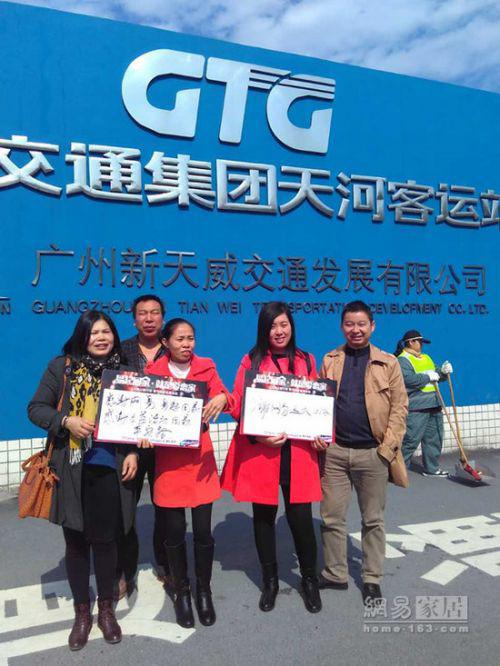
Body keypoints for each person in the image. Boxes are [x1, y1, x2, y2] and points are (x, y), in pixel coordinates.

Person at [28, 311, 138, 651]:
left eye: (107, 332)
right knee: (76, 543)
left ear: (114, 336)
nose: (101, 338)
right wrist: (66, 422)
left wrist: (133, 452)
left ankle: (106, 609)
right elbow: (36, 408)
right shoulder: (62, 368)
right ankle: (81, 614)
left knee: (106, 542)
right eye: (94, 333)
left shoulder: (125, 372)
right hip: (71, 468)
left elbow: (138, 418)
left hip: (109, 468)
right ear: (82, 337)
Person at [221, 301, 323, 614]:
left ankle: (309, 579)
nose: (279, 331)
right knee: (264, 518)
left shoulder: (306, 360)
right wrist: (259, 434)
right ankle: (270, 580)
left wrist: (321, 433)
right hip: (263, 452)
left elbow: (318, 402)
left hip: (298, 452)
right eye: (272, 326)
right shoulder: (251, 360)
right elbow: (239, 405)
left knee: (301, 519)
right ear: (263, 329)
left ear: (291, 326)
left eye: (284, 324)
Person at [138, 318, 230, 628]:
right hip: (169, 465)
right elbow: (143, 415)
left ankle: (204, 591)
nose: (186, 344)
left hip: (200, 462)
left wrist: (223, 398)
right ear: (165, 342)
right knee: (174, 533)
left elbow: (225, 397)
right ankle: (182, 592)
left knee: (203, 532)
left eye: (190, 338)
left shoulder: (206, 366)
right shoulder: (153, 374)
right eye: (180, 339)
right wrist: (143, 435)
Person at [318, 301, 408, 606]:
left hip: (373, 454)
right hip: (335, 453)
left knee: (372, 520)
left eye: (361, 324)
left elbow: (400, 408)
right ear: (342, 326)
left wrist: (387, 450)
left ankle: (371, 578)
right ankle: (335, 573)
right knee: (331, 517)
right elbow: (319, 403)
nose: (355, 330)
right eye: (349, 324)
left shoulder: (388, 363)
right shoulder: (330, 359)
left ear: (372, 326)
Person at [119, 295, 167, 594]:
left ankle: (165, 562)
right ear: (134, 319)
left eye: (154, 313)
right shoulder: (121, 350)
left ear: (163, 317)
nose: (149, 318)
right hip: (129, 447)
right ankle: (125, 569)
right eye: (142, 313)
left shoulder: (174, 348)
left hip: (166, 445)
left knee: (166, 509)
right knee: (125, 509)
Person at [394, 330, 453, 477]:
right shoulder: (402, 360)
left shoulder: (426, 358)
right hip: (417, 406)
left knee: (434, 439)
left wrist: (443, 372)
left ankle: (431, 469)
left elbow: (435, 374)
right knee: (410, 440)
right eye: (420, 342)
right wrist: (427, 377)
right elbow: (408, 380)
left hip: (434, 404)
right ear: (411, 342)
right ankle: (397, 470)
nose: (422, 345)